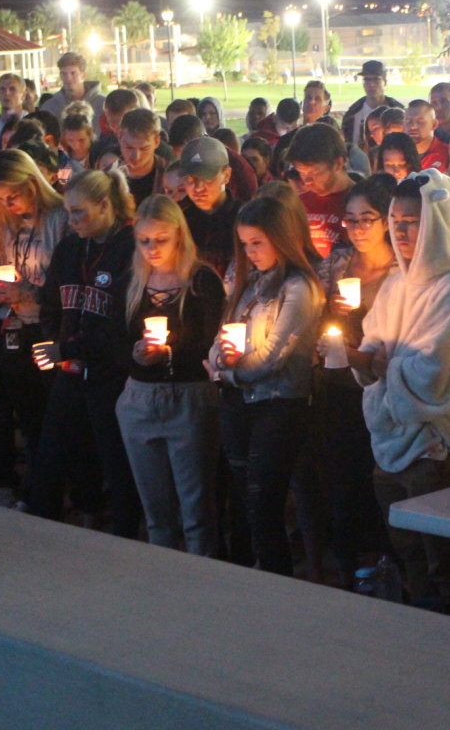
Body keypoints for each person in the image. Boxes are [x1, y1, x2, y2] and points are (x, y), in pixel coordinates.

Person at [351, 170, 450, 611]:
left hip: (434, 445)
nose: (400, 229)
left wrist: (380, 364)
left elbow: (436, 373)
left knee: (441, 556)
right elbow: (375, 339)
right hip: (390, 438)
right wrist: (357, 355)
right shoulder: (396, 284)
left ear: (439, 220)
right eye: (395, 219)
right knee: (406, 549)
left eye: (413, 220)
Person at [207, 196, 323, 575]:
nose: (251, 253)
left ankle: (277, 580)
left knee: (264, 501)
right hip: (238, 403)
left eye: (257, 243)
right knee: (244, 500)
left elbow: (274, 356)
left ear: (282, 238)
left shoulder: (299, 287)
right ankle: (251, 573)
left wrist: (225, 371)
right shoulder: (250, 283)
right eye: (245, 245)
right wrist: (220, 358)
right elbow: (224, 332)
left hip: (278, 406)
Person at [26, 169, 141, 537]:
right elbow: (51, 304)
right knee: (51, 455)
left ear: (105, 205)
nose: (71, 221)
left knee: (116, 461)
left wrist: (68, 347)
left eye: (79, 213)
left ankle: (125, 538)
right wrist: (56, 343)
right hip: (70, 369)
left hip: (111, 377)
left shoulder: (131, 248)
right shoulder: (70, 247)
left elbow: (120, 327)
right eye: (68, 212)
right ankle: (45, 530)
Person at [116, 195, 225, 555]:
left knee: (196, 510)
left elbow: (211, 343)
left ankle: (201, 582)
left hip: (189, 397)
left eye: (160, 240)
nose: (151, 249)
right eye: (143, 241)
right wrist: (136, 355)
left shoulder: (201, 280)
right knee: (156, 511)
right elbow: (115, 339)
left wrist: (171, 353)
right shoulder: (132, 281)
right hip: (139, 397)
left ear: (179, 235)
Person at [311, 174, 399, 583]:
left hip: (382, 390)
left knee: (378, 476)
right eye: (350, 220)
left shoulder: (401, 269)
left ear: (386, 221)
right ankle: (345, 564)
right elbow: (314, 319)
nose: (358, 229)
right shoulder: (338, 263)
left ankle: (385, 559)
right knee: (342, 476)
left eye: (367, 218)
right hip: (338, 387)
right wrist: (331, 317)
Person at [0, 149, 69, 505]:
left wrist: (28, 291)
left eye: (13, 196)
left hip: (49, 330)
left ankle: (51, 494)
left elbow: (66, 284)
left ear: (32, 182)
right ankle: (31, 488)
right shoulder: (6, 225)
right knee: (25, 413)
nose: (9, 204)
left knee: (51, 417)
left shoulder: (59, 219)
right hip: (15, 327)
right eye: (1, 199)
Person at [284, 123, 355, 258]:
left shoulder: (361, 201)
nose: (307, 181)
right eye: (302, 173)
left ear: (338, 163)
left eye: (314, 173)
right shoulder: (299, 204)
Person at [178, 136, 241, 273]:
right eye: (190, 179)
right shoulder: (178, 218)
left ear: (226, 175)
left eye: (207, 178)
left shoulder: (243, 217)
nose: (198, 187)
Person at [341, 60, 402, 150]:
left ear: (385, 82)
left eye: (376, 79)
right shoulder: (353, 114)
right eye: (367, 80)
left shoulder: (398, 112)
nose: (371, 84)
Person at [41, 52, 105, 128]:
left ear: (83, 75)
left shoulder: (104, 106)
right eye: (64, 74)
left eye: (73, 73)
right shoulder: (50, 107)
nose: (68, 78)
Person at [0, 73, 27, 154]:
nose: (7, 93)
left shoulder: (33, 125)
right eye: (2, 89)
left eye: (12, 89)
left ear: (23, 95)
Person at [404, 100, 449, 171]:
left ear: (434, 124)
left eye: (420, 122)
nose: (413, 126)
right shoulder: (397, 154)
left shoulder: (447, 154)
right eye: (408, 121)